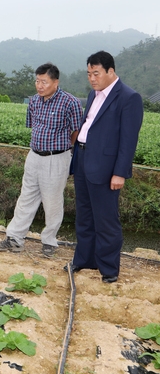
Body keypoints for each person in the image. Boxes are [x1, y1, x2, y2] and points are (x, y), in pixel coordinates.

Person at [0, 63, 81, 257]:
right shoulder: (33, 101)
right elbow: (35, 127)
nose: (39, 85)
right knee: (26, 197)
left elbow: (77, 131)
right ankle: (14, 238)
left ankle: (49, 242)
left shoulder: (69, 102)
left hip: (56, 157)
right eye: (37, 81)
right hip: (34, 155)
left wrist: (66, 151)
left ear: (55, 82)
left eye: (44, 82)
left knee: (52, 201)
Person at [69, 51, 143, 283]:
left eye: (96, 73)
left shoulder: (129, 97)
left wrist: (120, 172)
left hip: (106, 168)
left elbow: (128, 141)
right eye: (89, 73)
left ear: (111, 71)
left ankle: (109, 269)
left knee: (106, 220)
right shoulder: (94, 94)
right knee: (84, 216)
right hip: (82, 160)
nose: (92, 78)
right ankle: (84, 259)